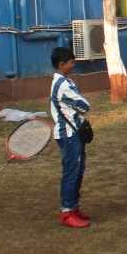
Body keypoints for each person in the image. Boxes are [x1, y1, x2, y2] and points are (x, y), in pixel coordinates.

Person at [50, 46, 92, 229]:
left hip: (72, 133)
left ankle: (73, 207)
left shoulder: (64, 82)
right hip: (68, 135)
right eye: (71, 62)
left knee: (78, 169)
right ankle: (67, 211)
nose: (73, 65)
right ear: (61, 64)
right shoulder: (63, 85)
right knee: (72, 171)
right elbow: (84, 105)